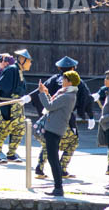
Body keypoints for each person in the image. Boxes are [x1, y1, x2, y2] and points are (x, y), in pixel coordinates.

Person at [33, 56, 95, 180]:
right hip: (66, 119)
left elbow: (41, 93)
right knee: (72, 142)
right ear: (73, 68)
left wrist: (31, 98)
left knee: (48, 143)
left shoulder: (53, 80)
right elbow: (86, 98)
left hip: (50, 117)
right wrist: (90, 115)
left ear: (59, 68)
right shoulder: (76, 83)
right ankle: (62, 169)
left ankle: (40, 167)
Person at [37, 69, 80, 197]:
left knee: (53, 159)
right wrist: (46, 93)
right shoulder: (67, 94)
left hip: (54, 129)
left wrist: (41, 94)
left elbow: (49, 106)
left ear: (70, 82)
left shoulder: (67, 96)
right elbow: (54, 104)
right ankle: (58, 187)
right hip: (55, 127)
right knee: (53, 158)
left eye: (65, 79)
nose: (62, 81)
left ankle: (58, 187)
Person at [0, 49, 31, 164]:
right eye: (29, 61)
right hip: (8, 105)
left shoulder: (19, 71)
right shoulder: (11, 69)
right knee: (2, 131)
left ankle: (11, 154)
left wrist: (23, 98)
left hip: (17, 105)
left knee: (19, 129)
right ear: (22, 60)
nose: (30, 64)